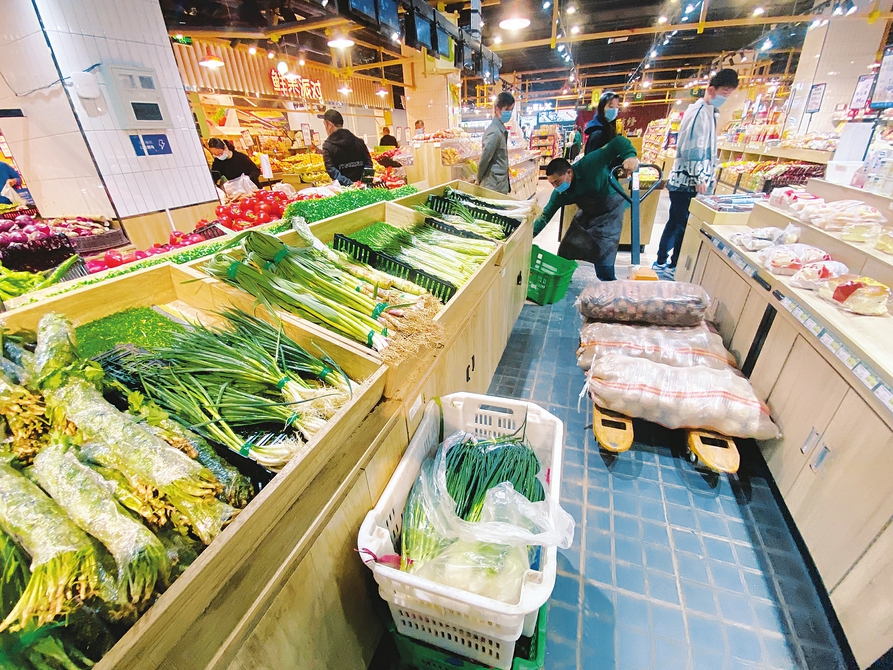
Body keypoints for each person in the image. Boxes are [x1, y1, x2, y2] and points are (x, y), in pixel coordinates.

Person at [654, 69, 739, 279]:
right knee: (681, 224)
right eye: (724, 91)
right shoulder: (699, 113)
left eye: (730, 92)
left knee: (677, 222)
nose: (726, 96)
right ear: (711, 90)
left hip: (689, 181)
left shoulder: (709, 112)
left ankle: (665, 261)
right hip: (687, 182)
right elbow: (692, 149)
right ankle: (669, 263)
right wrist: (699, 177)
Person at [532, 136, 639, 281]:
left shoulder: (589, 164)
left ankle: (609, 284)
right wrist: (528, 236)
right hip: (589, 211)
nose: (556, 186)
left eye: (557, 181)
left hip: (610, 208)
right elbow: (545, 215)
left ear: (569, 172)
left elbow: (617, 142)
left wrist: (630, 156)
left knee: (604, 253)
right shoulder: (560, 194)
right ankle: (561, 281)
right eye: (552, 184)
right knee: (567, 247)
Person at [320, 109, 373, 186]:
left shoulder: (328, 146)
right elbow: (368, 163)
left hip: (344, 190)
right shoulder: (359, 141)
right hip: (365, 188)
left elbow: (332, 171)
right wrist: (365, 182)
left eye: (325, 125)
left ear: (329, 124)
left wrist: (350, 184)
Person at [477, 91, 515, 194]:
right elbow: (485, 159)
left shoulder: (500, 129)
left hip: (499, 185)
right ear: (497, 109)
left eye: (511, 110)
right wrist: (478, 179)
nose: (509, 113)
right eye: (507, 110)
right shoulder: (494, 132)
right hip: (493, 186)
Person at [584, 91, 621, 155]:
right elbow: (592, 159)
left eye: (616, 106)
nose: (614, 110)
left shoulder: (609, 129)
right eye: (611, 106)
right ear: (602, 108)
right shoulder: (598, 133)